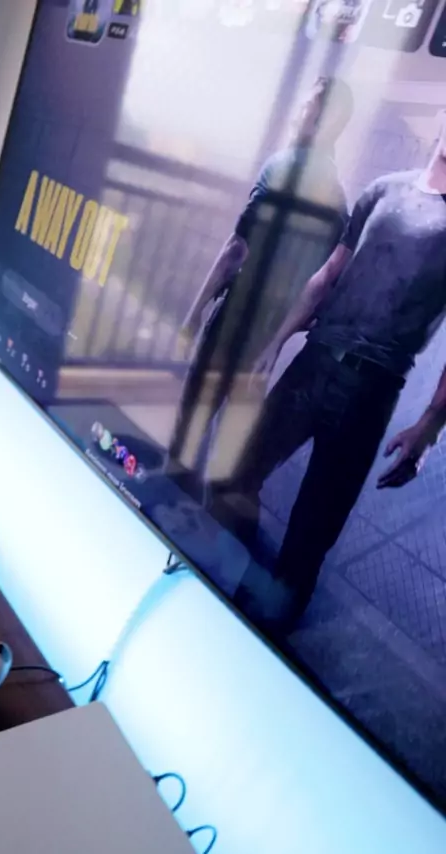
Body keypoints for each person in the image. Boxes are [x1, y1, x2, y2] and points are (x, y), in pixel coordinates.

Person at [216, 109, 446, 641]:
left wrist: (429, 428)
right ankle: (242, 587)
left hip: (372, 389)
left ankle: (263, 638)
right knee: (232, 478)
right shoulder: (382, 190)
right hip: (315, 362)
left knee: (310, 534)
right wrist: (275, 344)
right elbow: (327, 277)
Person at [168, 76, 354, 491]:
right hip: (269, 334)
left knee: (188, 432)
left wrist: (194, 314)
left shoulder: (281, 166)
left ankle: (162, 503)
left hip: (235, 317)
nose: (300, 113)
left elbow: (236, 250)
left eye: (308, 106)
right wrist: (275, 347)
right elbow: (317, 290)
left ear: (323, 119)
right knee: (227, 452)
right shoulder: (339, 199)